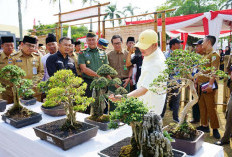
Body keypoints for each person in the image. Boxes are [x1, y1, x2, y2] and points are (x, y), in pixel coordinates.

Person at [109, 29, 167, 115]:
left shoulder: (156, 63)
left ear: (155, 45)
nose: (141, 49)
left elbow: (143, 90)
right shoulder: (150, 53)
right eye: (141, 46)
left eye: (145, 46)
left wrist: (123, 97)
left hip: (151, 106)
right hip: (144, 100)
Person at [196, 35, 221, 139]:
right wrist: (196, 80)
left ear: (209, 42)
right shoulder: (204, 55)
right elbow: (201, 70)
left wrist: (210, 85)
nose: (202, 44)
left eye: (204, 41)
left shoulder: (214, 55)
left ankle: (215, 129)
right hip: (200, 85)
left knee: (211, 107)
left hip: (208, 86)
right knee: (202, 106)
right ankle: (204, 125)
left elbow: (214, 71)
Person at [78, 30, 108, 114]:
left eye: (93, 39)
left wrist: (111, 81)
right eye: (89, 40)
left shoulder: (103, 53)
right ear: (86, 41)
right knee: (88, 106)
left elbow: (106, 69)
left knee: (101, 105)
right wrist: (98, 76)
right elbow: (84, 69)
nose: (91, 42)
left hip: (102, 83)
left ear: (97, 40)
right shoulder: (82, 53)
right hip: (88, 83)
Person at [12, 35, 44, 101]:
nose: (31, 48)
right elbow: (11, 73)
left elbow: (41, 72)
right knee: (22, 110)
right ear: (22, 44)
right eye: (29, 45)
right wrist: (21, 83)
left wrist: (34, 82)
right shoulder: (13, 57)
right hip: (21, 90)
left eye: (33, 46)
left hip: (35, 90)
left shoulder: (37, 57)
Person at [161, 38, 183, 122]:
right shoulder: (165, 55)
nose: (180, 45)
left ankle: (175, 117)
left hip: (177, 81)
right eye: (178, 43)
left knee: (176, 99)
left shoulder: (181, 55)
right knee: (164, 98)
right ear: (173, 45)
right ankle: (161, 115)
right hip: (167, 80)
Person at [189, 39, 204, 124]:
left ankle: (204, 120)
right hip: (194, 82)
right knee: (194, 100)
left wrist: (196, 81)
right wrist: (191, 81)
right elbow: (192, 70)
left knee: (202, 102)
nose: (196, 47)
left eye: (198, 45)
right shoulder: (195, 57)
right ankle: (196, 118)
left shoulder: (205, 56)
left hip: (202, 83)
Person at [0, 36, 15, 103]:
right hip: (4, 90)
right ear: (2, 46)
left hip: (17, 88)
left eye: (11, 45)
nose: (10, 47)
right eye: (7, 45)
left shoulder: (18, 56)